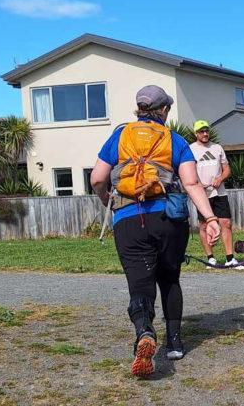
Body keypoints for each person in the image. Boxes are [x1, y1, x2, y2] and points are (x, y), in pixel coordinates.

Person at [89, 85, 221, 377]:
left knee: (139, 284)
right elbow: (192, 184)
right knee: (169, 278)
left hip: (127, 220)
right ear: (163, 110)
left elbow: (97, 178)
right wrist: (209, 218)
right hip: (168, 220)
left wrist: (110, 203)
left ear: (139, 109)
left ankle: (144, 331)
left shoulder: (119, 136)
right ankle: (174, 343)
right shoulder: (175, 140)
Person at [189, 120, 244, 269]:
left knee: (226, 223)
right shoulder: (190, 149)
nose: (205, 134)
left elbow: (227, 169)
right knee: (204, 225)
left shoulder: (217, 147)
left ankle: (230, 258)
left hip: (219, 192)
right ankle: (211, 259)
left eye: (206, 131)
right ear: (196, 134)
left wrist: (220, 178)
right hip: (202, 194)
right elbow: (187, 172)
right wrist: (198, 184)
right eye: (201, 131)